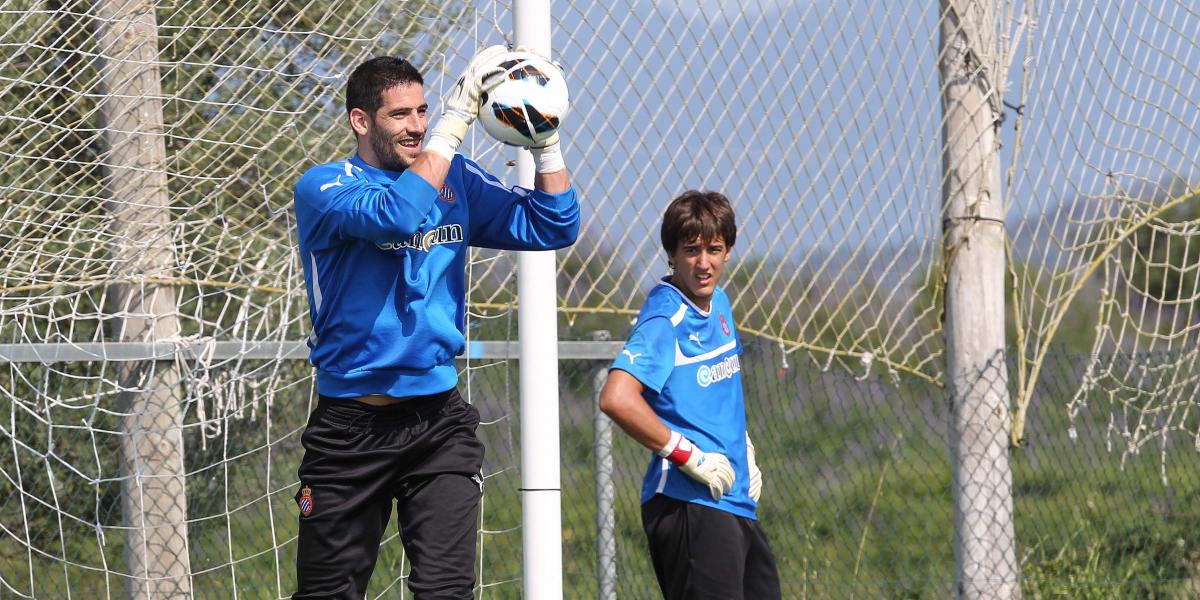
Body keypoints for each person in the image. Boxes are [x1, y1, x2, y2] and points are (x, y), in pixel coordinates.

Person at [290, 48, 578, 599]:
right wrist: (457, 118)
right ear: (361, 121)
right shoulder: (325, 187)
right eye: (400, 114)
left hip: (437, 425)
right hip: (349, 430)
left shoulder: (455, 179)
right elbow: (396, 216)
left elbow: (554, 225)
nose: (418, 126)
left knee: (447, 591)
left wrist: (546, 143)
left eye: (424, 111)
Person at [599, 190, 781, 599]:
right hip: (688, 502)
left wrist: (744, 449)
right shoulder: (666, 319)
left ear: (728, 251)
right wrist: (689, 456)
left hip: (732, 499)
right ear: (672, 254)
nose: (703, 263)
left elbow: (719, 393)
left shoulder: (719, 303)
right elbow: (616, 397)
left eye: (713, 250)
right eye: (691, 250)